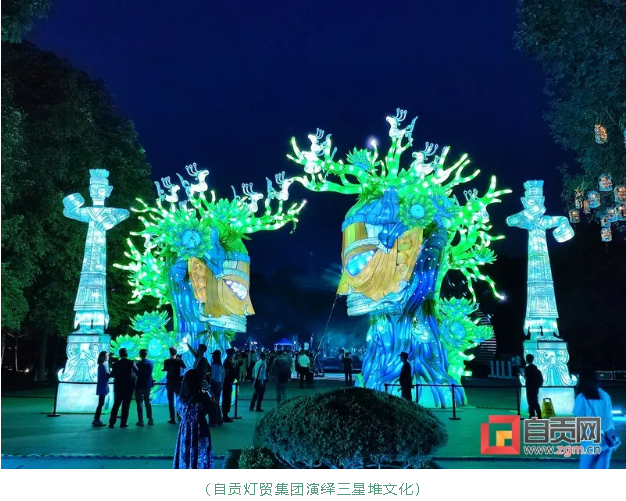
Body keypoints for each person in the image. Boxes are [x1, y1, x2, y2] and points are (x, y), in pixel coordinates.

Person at [573, 369, 617, 469]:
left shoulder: (581, 397)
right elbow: (609, 417)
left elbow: (578, 419)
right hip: (607, 439)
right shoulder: (605, 395)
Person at [173, 369, 214, 469]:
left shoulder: (180, 397)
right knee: (200, 454)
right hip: (200, 429)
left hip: (185, 429)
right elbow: (212, 407)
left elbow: (178, 412)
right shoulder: (202, 397)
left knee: (185, 452)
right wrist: (208, 390)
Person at [108, 348, 138, 428]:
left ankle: (112, 423)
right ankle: (123, 423)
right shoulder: (131, 362)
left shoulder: (115, 364)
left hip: (118, 387)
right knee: (126, 405)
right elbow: (137, 371)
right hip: (129, 387)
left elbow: (113, 374)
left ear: (120, 354)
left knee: (116, 405)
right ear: (127, 354)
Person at [163, 347, 186, 424]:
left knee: (170, 401)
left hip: (170, 382)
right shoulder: (179, 361)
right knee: (179, 399)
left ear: (170, 353)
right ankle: (180, 415)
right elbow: (184, 367)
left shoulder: (166, 361)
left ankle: (172, 418)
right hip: (178, 382)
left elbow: (165, 369)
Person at [135, 348, 154, 426]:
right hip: (148, 384)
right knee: (147, 402)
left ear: (140, 355)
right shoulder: (151, 363)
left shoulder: (138, 364)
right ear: (147, 354)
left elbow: (136, 373)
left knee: (139, 403)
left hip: (139, 385)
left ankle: (141, 421)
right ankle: (150, 419)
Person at [93, 351, 111, 427]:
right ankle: (96, 419)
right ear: (103, 357)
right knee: (101, 403)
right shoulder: (103, 366)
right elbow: (106, 376)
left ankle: (96, 419)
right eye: (107, 355)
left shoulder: (102, 365)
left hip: (102, 386)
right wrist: (112, 374)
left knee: (101, 403)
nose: (108, 357)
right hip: (102, 386)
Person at [524, 354, 544, 418]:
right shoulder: (537, 370)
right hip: (535, 388)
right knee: (535, 401)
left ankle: (532, 415)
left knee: (530, 401)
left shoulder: (527, 369)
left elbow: (527, 377)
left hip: (529, 387)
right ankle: (539, 415)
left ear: (527, 359)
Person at [222, 348, 239, 422]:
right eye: (233, 353)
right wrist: (225, 380)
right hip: (227, 383)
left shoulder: (229, 361)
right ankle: (225, 416)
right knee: (226, 399)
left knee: (227, 398)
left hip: (228, 382)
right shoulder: (227, 362)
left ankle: (225, 415)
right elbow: (226, 372)